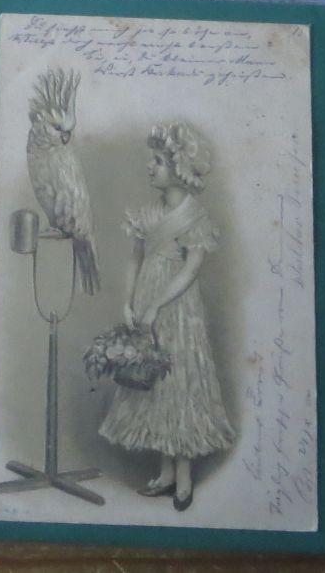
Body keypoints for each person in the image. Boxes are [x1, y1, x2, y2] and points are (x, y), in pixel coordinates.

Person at [98, 121, 236, 511]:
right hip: (146, 302)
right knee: (155, 386)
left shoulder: (194, 217)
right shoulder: (145, 214)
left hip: (178, 308)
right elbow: (135, 260)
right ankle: (165, 472)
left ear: (178, 168)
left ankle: (184, 475)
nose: (150, 166)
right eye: (152, 160)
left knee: (180, 383)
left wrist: (159, 304)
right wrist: (129, 303)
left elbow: (191, 268)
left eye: (158, 161)